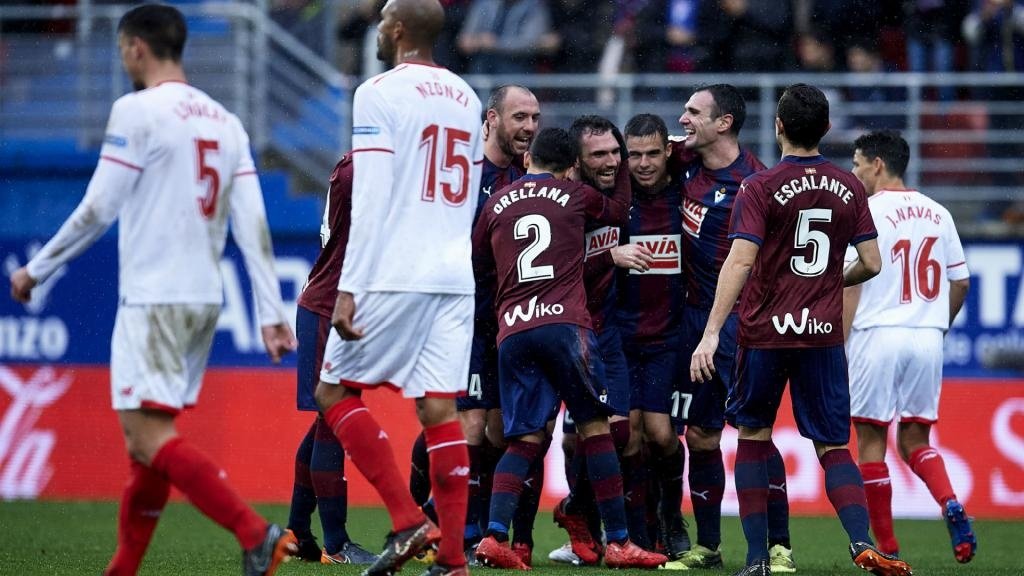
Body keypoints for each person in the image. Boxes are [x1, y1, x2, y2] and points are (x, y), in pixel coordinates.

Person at [8, 5, 298, 576]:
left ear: (136, 47)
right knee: (150, 443)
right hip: (202, 300)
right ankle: (123, 568)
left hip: (153, 297)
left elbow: (98, 207)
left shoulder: (137, 111)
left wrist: (36, 270)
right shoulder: (226, 121)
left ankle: (254, 532)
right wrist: (270, 311)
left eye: (122, 50)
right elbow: (254, 226)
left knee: (147, 437)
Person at [690, 83, 912, 576]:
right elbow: (872, 262)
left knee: (753, 433)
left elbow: (741, 260)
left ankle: (756, 559)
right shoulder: (850, 186)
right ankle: (861, 542)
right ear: (827, 129)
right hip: (821, 335)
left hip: (765, 332)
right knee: (833, 445)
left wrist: (710, 333)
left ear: (779, 126)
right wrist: (833, 278)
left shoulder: (759, 186)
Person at [312, 1, 483, 576]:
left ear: (400, 30)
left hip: (395, 270)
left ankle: (409, 522)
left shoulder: (378, 92)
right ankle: (453, 560)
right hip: (453, 275)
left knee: (333, 394)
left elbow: (373, 193)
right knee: (440, 410)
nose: (378, 29)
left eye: (383, 19)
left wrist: (349, 286)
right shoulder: (467, 96)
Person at [471, 127, 667, 570]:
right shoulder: (574, 195)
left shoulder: (494, 203)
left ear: (528, 161)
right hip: (565, 327)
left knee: (524, 439)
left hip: (513, 331)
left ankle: (493, 536)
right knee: (596, 429)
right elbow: (618, 211)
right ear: (571, 167)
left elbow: (479, 263)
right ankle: (618, 541)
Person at [408, 84, 541, 564]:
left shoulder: (536, 174)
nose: (528, 127)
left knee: (507, 433)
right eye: (519, 117)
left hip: (516, 326)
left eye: (534, 118)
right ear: (491, 119)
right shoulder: (463, 175)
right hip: (464, 320)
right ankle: (444, 525)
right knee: (467, 425)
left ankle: (502, 534)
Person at [673, 83, 794, 572]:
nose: (682, 119)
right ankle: (708, 545)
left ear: (723, 123)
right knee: (700, 436)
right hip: (694, 323)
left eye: (693, 111)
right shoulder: (681, 169)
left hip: (744, 327)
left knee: (754, 433)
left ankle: (780, 546)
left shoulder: (757, 182)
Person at [845, 130, 976, 563]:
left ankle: (888, 549)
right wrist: (938, 325)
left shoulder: (865, 211)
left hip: (877, 333)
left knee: (870, 443)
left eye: (858, 162)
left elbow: (850, 284)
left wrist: (839, 344)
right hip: (926, 337)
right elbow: (961, 281)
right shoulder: (939, 213)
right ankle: (950, 502)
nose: (854, 170)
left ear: (878, 164)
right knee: (916, 439)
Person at [287, 152, 378, 565]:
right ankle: (337, 544)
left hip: (335, 303)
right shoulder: (363, 169)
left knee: (329, 419)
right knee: (334, 417)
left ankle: (297, 530)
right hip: (330, 306)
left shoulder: (360, 164)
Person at [614, 113, 690, 561]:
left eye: (652, 153)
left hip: (669, 338)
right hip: (622, 337)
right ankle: (638, 531)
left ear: (667, 152)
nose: (642, 163)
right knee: (630, 436)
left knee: (662, 435)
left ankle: (670, 514)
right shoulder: (614, 197)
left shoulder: (685, 190)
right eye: (634, 154)